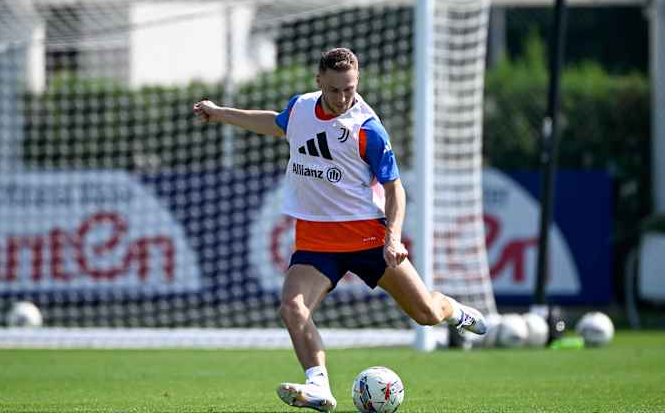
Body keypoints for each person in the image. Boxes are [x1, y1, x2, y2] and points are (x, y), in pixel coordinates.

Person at [193, 47, 486, 412]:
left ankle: (454, 310)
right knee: (292, 308)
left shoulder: (367, 129)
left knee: (425, 314)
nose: (343, 97)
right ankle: (318, 386)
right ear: (319, 83)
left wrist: (392, 238)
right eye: (335, 90)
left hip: (367, 238)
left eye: (349, 88)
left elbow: (395, 189)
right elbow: (275, 122)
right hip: (316, 240)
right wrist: (221, 114)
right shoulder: (300, 108)